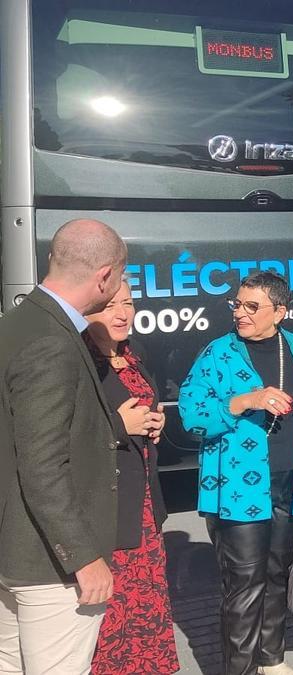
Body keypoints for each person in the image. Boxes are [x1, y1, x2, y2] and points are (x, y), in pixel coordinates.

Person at [178, 272, 293, 675]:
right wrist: (243, 401)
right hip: (237, 490)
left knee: (278, 573)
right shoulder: (217, 353)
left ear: (279, 312)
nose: (240, 313)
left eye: (252, 306)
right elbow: (190, 414)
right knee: (244, 588)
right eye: (237, 304)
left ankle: (272, 660)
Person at [0, 219, 127, 675]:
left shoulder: (16, 322)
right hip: (49, 565)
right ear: (105, 276)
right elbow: (43, 465)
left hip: (14, 552)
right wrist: (84, 556)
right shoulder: (53, 341)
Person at [84, 281, 179, 674]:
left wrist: (154, 422)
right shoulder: (79, 360)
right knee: (112, 624)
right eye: (109, 306)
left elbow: (145, 403)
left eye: (128, 303)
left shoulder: (134, 353)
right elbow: (61, 433)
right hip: (106, 513)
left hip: (143, 508)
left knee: (146, 614)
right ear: (85, 310)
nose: (123, 313)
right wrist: (119, 425)